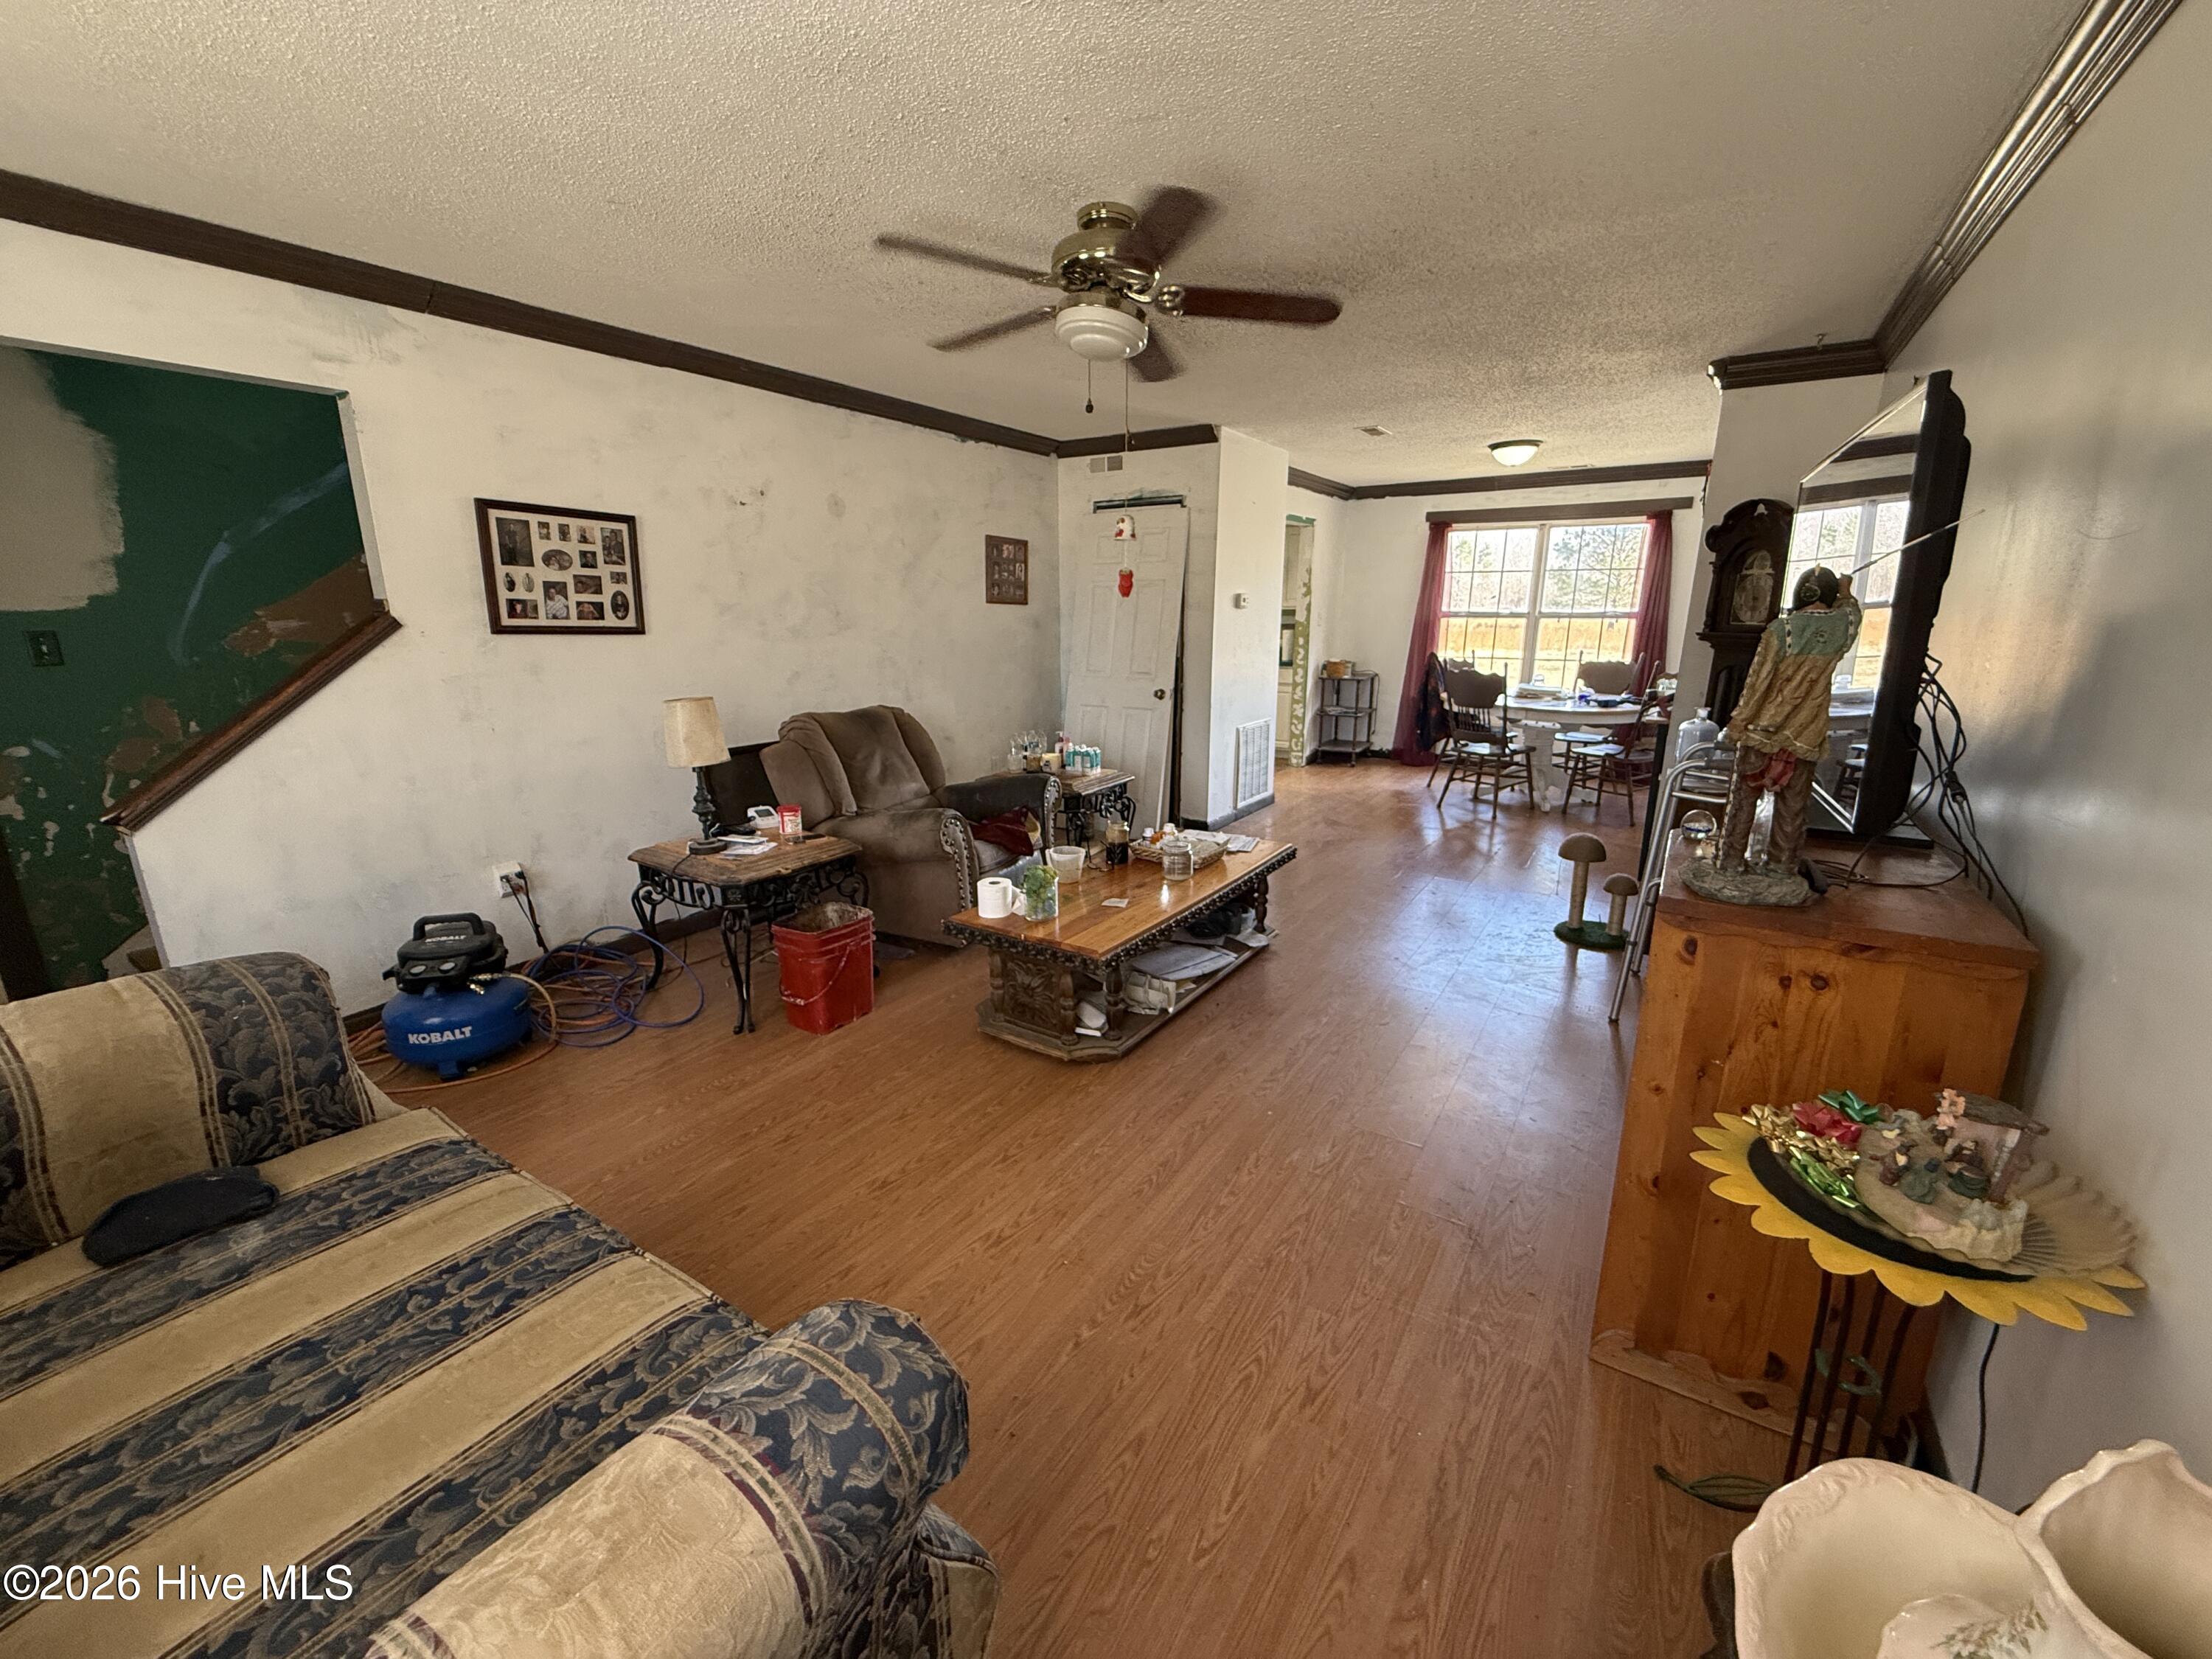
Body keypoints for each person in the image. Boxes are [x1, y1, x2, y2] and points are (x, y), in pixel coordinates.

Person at [1693, 566, 1860, 903]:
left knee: (1744, 800)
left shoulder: (1780, 630)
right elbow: (1853, 614)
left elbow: (1758, 682)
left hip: (1763, 728)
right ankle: (1781, 867)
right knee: (1793, 806)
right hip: (1805, 732)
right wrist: (1845, 592)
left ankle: (1729, 862)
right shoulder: (1841, 626)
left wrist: (1737, 724)